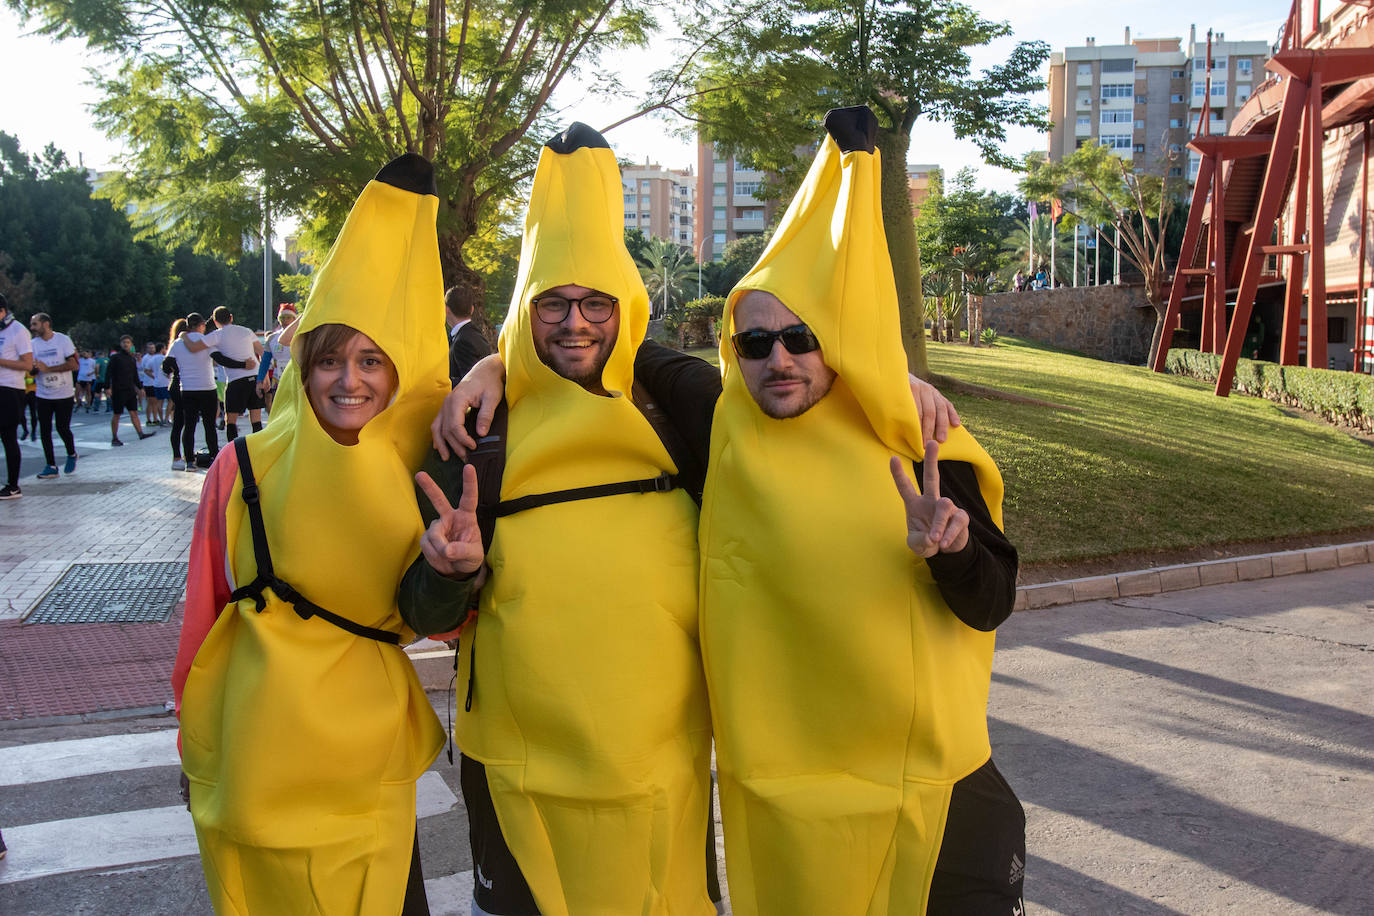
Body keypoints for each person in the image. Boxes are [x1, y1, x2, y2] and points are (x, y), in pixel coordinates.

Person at [696, 107, 1024, 916]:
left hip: (939, 798)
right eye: (755, 343)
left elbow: (992, 603)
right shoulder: (717, 430)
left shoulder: (924, 444)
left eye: (805, 338)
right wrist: (492, 364)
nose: (780, 358)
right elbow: (604, 345)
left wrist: (950, 548)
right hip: (796, 813)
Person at [398, 124, 720, 916]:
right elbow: (422, 609)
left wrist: (911, 396)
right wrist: (451, 572)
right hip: (515, 763)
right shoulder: (476, 432)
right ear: (524, 312)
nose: (575, 323)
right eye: (552, 305)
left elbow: (799, 395)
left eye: (596, 303)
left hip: (660, 760)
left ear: (628, 309)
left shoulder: (677, 403)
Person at [172, 153, 450, 915]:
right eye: (329, 359)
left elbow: (443, 618)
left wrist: (454, 568)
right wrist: (191, 743)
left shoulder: (419, 466)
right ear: (302, 366)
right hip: (256, 746)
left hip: (368, 757)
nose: (349, 380)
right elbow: (205, 615)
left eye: (371, 360)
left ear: (398, 374)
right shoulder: (241, 466)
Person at [27, 311, 79, 478]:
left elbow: (73, 365)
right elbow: (33, 370)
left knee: (62, 428)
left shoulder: (62, 340)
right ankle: (51, 465)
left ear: (46, 324)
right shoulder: (33, 344)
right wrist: (34, 369)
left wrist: (49, 369)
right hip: (43, 394)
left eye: (35, 324)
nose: (32, 327)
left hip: (63, 394)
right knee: (45, 430)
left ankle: (71, 454)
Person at [203, 306, 264, 440]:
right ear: (231, 317)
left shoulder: (215, 336)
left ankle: (233, 451)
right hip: (254, 377)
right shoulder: (246, 331)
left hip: (236, 381)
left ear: (214, 320)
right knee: (256, 419)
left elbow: (202, 347)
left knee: (230, 420)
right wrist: (263, 376)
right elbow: (262, 353)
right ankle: (259, 451)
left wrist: (183, 335)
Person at [0, 293, 34, 500]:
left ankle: (13, 486)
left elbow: (27, 365)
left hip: (10, 389)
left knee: (8, 437)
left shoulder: (18, 331)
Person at [106, 335, 157, 446]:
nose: (126, 344)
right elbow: (108, 373)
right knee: (117, 414)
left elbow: (135, 376)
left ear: (131, 345)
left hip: (130, 390)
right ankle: (114, 438)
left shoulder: (131, 359)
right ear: (121, 344)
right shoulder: (115, 357)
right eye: (124, 342)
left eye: (128, 342)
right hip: (118, 390)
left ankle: (140, 434)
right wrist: (107, 388)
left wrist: (140, 388)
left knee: (134, 412)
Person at [444, 286, 493, 384]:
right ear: (472, 309)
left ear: (446, 310)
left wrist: (443, 382)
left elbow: (469, 383)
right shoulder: (474, 335)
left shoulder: (463, 341)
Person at [255, 303, 297, 411]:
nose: (285, 320)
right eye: (282, 317)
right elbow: (265, 361)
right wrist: (260, 380)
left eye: (288, 317)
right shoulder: (272, 338)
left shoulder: (301, 336)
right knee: (279, 411)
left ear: (294, 319)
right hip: (279, 381)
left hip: (297, 380)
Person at [164, 319, 188, 470]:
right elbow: (166, 366)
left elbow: (166, 367)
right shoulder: (183, 343)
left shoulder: (174, 345)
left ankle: (178, 456)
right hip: (184, 384)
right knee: (184, 422)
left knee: (180, 422)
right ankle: (183, 456)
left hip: (175, 383)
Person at [140, 341, 164, 426]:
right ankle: (150, 419)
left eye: (153, 347)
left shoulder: (155, 357)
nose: (151, 349)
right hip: (148, 383)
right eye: (149, 348)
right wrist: (154, 376)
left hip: (155, 383)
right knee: (151, 402)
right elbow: (145, 370)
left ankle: (155, 418)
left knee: (155, 402)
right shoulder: (146, 358)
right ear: (147, 349)